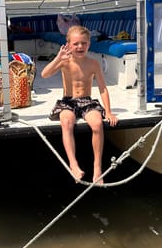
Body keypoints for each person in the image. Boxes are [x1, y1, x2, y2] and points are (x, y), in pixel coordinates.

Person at [41, 25, 118, 184]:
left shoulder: (93, 63)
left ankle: (97, 168)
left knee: (97, 124)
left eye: (83, 43)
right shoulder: (64, 62)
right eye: (75, 44)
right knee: (66, 121)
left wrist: (108, 112)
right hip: (68, 101)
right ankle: (73, 164)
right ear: (68, 45)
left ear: (89, 44)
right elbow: (44, 74)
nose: (80, 46)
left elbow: (103, 88)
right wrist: (58, 58)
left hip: (86, 101)